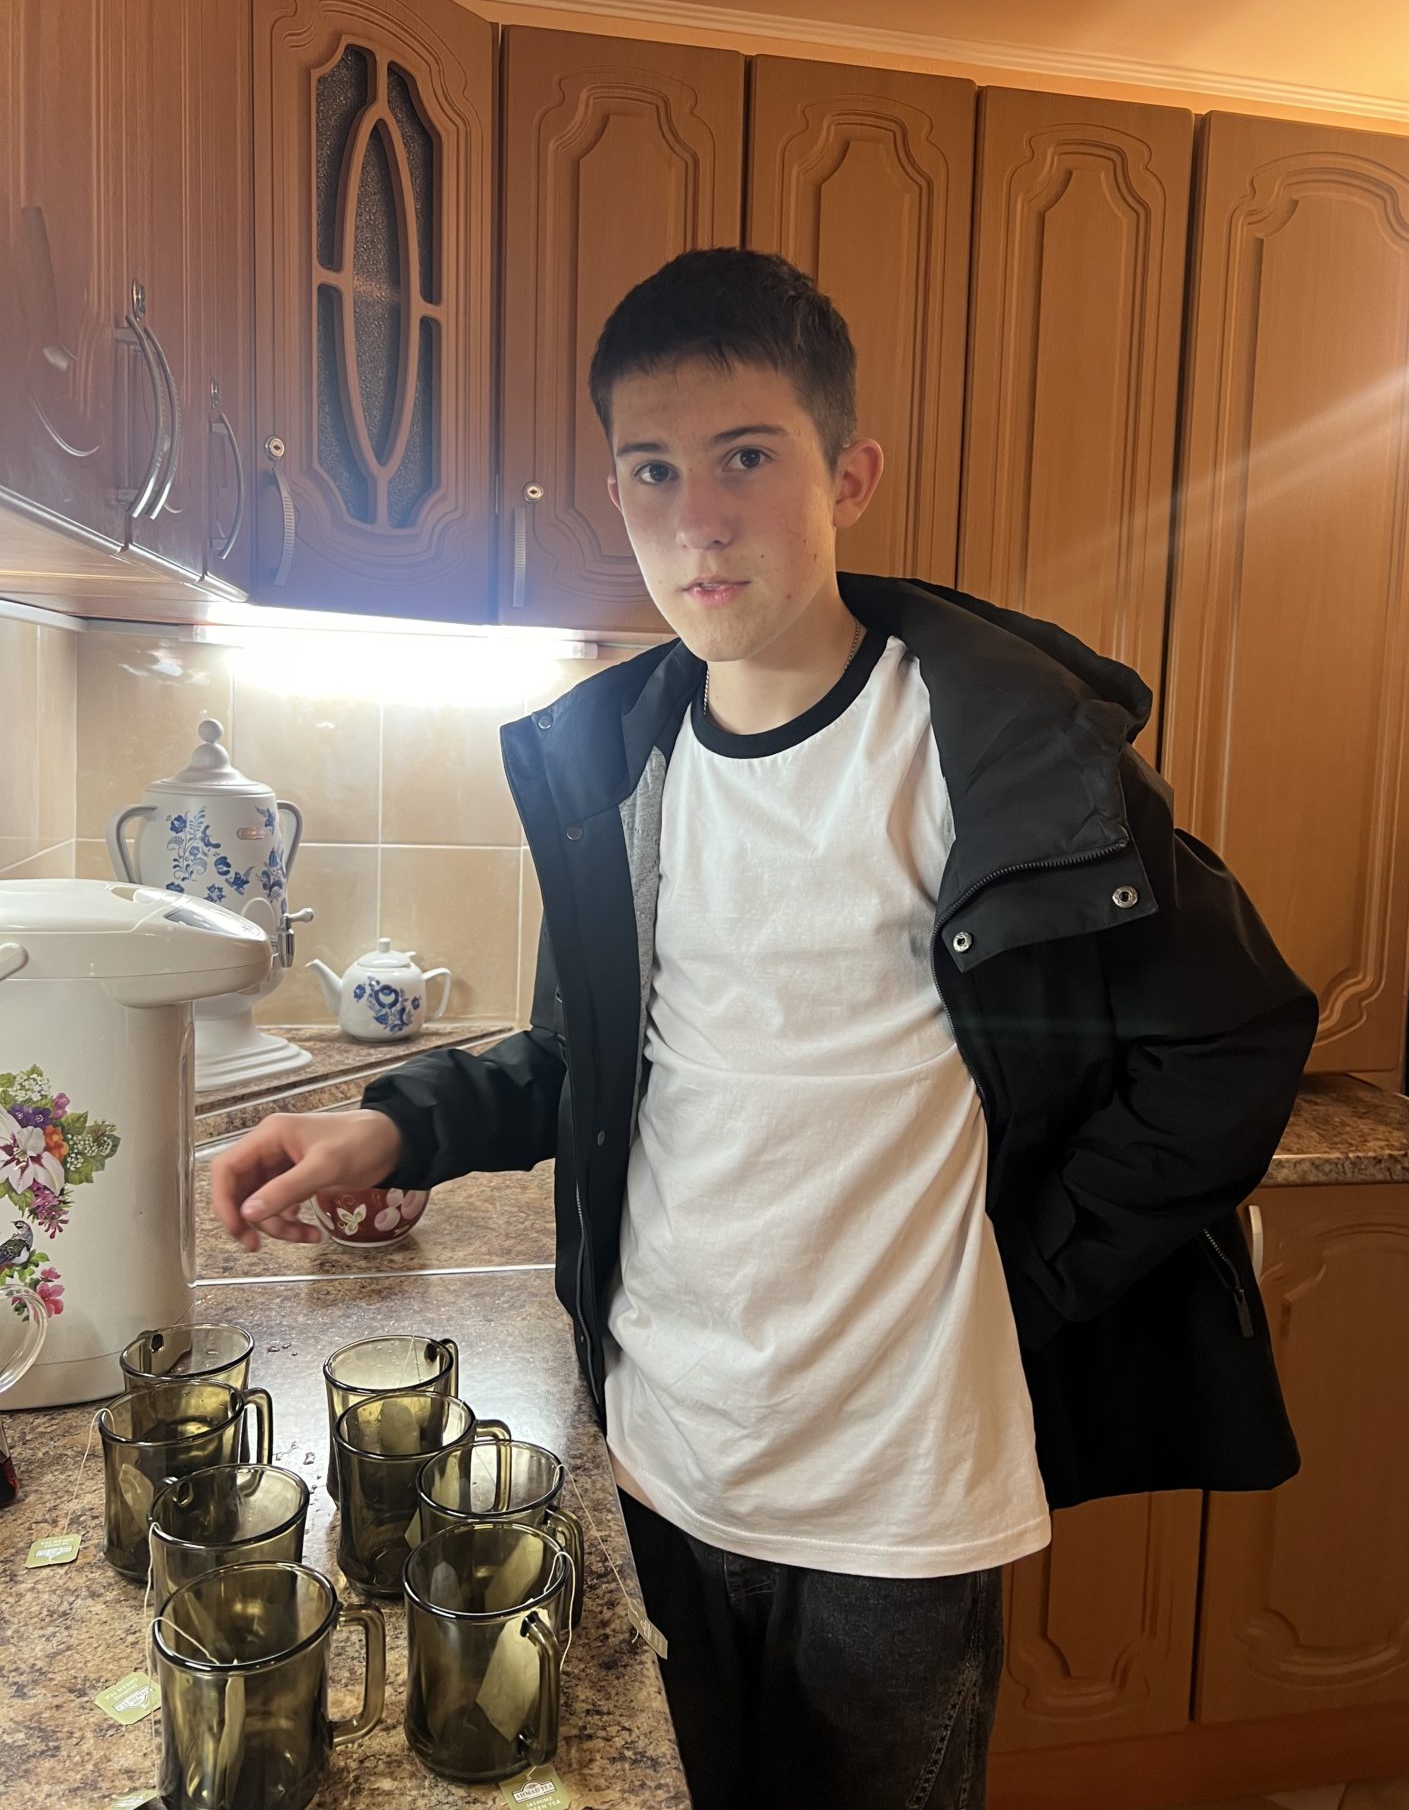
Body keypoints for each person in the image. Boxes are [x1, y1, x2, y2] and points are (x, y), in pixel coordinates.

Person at [210, 247, 1318, 1809]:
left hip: (900, 1493)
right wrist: (397, 1123)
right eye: (652, 471)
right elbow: (592, 1060)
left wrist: (1029, 1275)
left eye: (747, 457)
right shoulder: (622, 766)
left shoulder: (997, 752)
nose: (698, 520)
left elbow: (1238, 1033)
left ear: (849, 474)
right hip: (662, 1451)